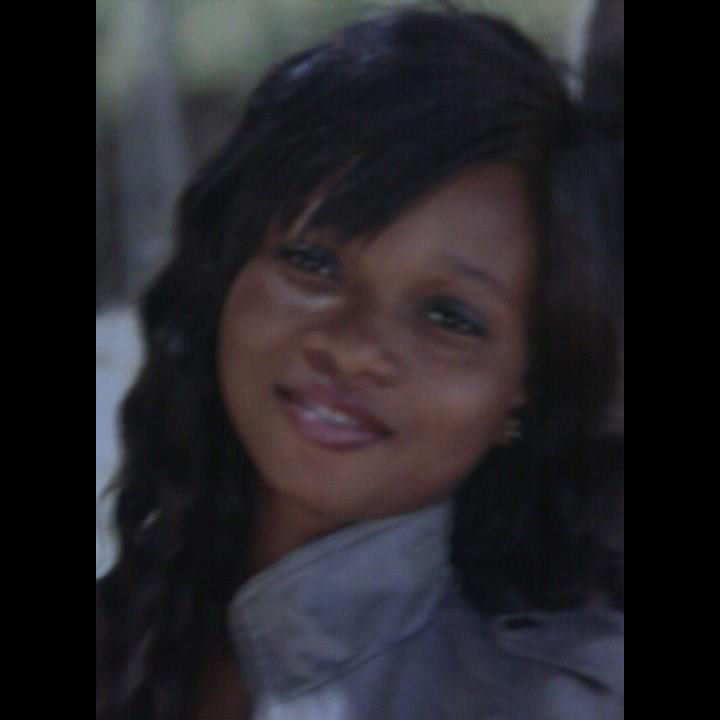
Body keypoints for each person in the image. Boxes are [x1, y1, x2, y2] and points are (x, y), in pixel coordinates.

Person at [96, 7, 624, 719]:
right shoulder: (125, 633)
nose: (352, 345)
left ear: (525, 386)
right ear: (227, 273)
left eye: (450, 317)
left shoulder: (564, 701)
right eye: (313, 262)